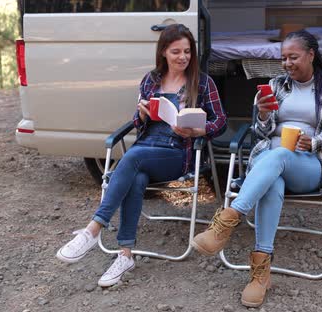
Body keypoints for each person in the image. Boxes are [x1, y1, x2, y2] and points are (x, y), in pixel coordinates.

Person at [56, 24, 227, 287]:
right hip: (148, 146)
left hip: (177, 151)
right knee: (135, 178)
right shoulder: (151, 80)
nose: (183, 57)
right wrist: (143, 114)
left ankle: (93, 229)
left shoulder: (203, 82)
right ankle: (125, 255)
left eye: (187, 52)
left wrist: (195, 130)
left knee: (131, 159)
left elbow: (221, 122)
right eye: (176, 52)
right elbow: (138, 123)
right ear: (163, 53)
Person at [191, 30, 322, 308]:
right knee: (271, 178)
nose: (287, 63)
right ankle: (260, 274)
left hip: (308, 165)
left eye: (293, 57)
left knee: (278, 157)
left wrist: (314, 141)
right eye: (283, 58)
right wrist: (262, 114)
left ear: (311, 55)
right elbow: (262, 133)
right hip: (270, 162)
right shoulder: (276, 85)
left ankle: (229, 218)